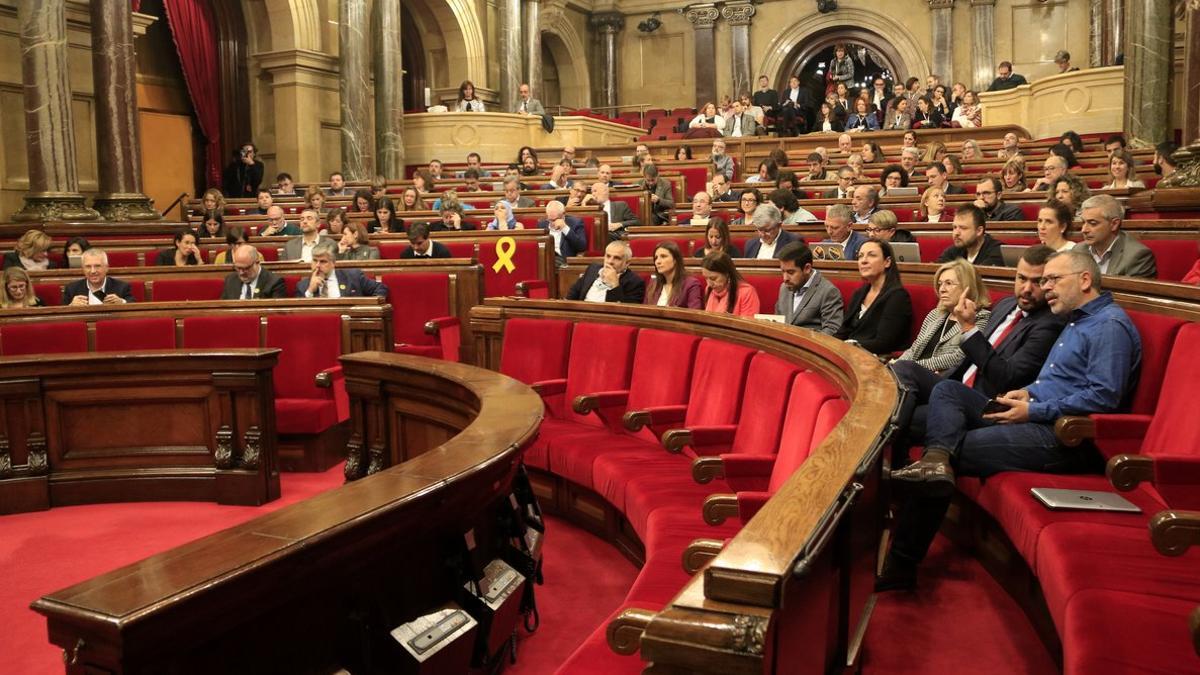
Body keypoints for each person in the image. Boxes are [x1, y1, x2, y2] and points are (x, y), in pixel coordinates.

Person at [882, 250, 1140, 589]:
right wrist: (1029, 393)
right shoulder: (1078, 319)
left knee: (954, 447)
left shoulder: (1108, 325)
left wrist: (1034, 408)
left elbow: (1103, 397)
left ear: (1085, 280)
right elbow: (1058, 381)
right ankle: (935, 460)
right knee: (948, 393)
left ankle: (901, 565)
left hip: (1061, 436)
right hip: (1034, 413)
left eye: (1052, 280)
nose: (1046, 288)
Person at [894, 259, 992, 374]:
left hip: (943, 379)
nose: (942, 289)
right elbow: (914, 349)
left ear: (967, 287)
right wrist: (895, 367)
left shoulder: (980, 318)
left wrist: (913, 367)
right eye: (940, 284)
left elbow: (959, 357)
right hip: (912, 373)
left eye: (949, 283)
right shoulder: (935, 315)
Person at [836, 240, 913, 355]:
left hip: (877, 359)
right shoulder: (859, 293)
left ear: (887, 262)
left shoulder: (898, 296)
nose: (864, 261)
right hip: (850, 353)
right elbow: (844, 330)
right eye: (860, 256)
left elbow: (884, 343)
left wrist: (847, 346)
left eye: (871, 255)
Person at [1074, 194, 1156, 278]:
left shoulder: (1136, 256)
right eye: (1083, 222)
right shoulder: (1078, 250)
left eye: (1093, 223)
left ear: (1114, 224)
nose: (1084, 230)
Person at [776, 242, 842, 334]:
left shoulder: (828, 291)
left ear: (807, 268)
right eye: (783, 272)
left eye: (791, 272)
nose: (785, 278)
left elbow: (832, 330)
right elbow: (777, 323)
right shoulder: (784, 288)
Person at [297, 241, 388, 298]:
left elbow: (381, 288)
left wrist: (368, 309)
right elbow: (298, 314)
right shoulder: (303, 286)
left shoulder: (353, 276)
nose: (317, 265)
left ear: (333, 263)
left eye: (323, 261)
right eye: (314, 261)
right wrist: (310, 291)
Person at [566, 240, 645, 303]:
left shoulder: (635, 282)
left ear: (627, 263)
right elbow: (573, 293)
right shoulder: (593, 269)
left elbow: (622, 312)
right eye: (608, 256)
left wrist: (615, 285)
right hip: (582, 315)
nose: (610, 261)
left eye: (617, 258)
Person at [938, 204, 1005, 265]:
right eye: (954, 227)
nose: (956, 233)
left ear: (979, 231)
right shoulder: (954, 251)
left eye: (963, 228)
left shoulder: (997, 252)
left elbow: (976, 276)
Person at [64, 249, 135, 305]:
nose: (93, 271)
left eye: (97, 266)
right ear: (83, 269)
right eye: (88, 267)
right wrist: (71, 306)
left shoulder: (122, 287)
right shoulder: (71, 289)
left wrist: (121, 303)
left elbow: (134, 307)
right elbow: (62, 313)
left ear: (107, 268)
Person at [644, 242, 703, 309]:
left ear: (675, 260)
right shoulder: (653, 285)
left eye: (663, 256)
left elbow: (694, 314)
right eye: (656, 258)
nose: (658, 261)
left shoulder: (691, 285)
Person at [701, 251, 759, 317]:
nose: (709, 284)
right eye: (706, 278)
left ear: (727, 274)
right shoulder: (709, 289)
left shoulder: (747, 292)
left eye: (713, 278)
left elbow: (747, 325)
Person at [221, 244, 287, 300]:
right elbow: (223, 308)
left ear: (257, 262)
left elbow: (276, 313)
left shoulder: (274, 282)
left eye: (245, 268)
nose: (241, 273)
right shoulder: (230, 280)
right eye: (238, 268)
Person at [538, 200, 587, 265]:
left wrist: (565, 228)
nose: (552, 223)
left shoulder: (575, 223)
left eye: (555, 219)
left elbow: (581, 246)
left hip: (563, 259)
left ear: (563, 214)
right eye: (550, 219)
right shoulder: (542, 224)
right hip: (545, 257)